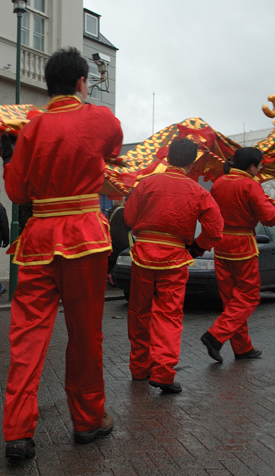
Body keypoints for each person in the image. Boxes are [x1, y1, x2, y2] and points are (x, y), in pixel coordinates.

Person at [0, 46, 123, 461]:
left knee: (27, 337)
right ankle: (88, 420)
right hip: (84, 237)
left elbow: (16, 193)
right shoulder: (99, 118)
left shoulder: (30, 128)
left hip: (38, 240)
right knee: (85, 335)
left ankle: (17, 431)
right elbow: (113, 149)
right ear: (82, 82)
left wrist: (10, 156)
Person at [124, 138, 223, 394]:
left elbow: (129, 217)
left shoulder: (146, 183)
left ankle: (139, 368)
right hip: (175, 257)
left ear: (167, 157)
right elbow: (215, 228)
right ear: (192, 164)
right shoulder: (198, 191)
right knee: (169, 315)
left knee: (138, 312)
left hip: (143, 254)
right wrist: (198, 247)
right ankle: (164, 372)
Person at [201, 147, 275, 363]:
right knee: (249, 296)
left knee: (232, 299)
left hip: (222, 245)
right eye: (259, 165)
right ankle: (215, 335)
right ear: (251, 166)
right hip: (242, 246)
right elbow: (269, 218)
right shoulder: (250, 185)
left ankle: (242, 347)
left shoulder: (220, 183)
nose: (260, 169)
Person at [107, 199, 132, 286]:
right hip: (122, 238)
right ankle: (113, 275)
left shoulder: (111, 210)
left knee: (114, 258)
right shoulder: (122, 211)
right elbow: (129, 224)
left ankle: (111, 275)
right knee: (123, 258)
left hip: (113, 237)